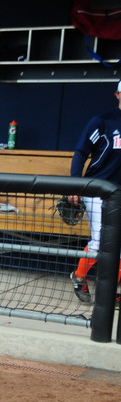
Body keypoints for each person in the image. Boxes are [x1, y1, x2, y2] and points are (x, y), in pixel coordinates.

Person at [68, 79, 121, 303]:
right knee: (101, 241)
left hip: (119, 192)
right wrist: (74, 185)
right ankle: (79, 277)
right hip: (98, 189)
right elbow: (81, 152)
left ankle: (112, 292)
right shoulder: (103, 121)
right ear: (117, 95)